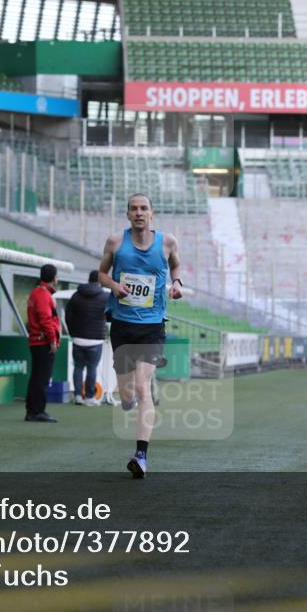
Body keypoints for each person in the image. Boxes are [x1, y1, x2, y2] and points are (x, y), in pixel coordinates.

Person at [98, 193, 183, 479]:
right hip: (122, 323)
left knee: (142, 387)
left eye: (143, 208)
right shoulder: (115, 242)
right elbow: (100, 274)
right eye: (134, 209)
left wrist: (177, 283)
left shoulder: (167, 242)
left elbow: (176, 266)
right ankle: (125, 398)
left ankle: (141, 455)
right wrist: (114, 286)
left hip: (152, 325)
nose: (139, 213)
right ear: (127, 214)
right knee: (126, 394)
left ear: (152, 213)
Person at [65, 270, 109, 407]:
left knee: (78, 367)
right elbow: (111, 315)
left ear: (88, 279)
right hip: (95, 339)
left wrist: (73, 332)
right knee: (92, 368)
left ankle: (78, 396)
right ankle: (89, 396)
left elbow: (68, 316)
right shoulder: (105, 296)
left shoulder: (76, 296)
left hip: (78, 338)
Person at [25, 264, 61, 423]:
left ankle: (32, 411)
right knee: (42, 378)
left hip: (37, 341)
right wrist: (52, 340)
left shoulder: (37, 293)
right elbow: (46, 320)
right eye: (57, 276)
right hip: (43, 342)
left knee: (37, 377)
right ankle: (37, 411)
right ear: (54, 278)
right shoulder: (43, 295)